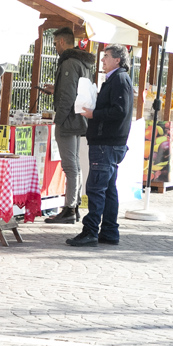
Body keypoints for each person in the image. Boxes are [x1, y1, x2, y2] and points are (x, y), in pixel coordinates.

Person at [66, 44, 133, 248]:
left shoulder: (119, 79)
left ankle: (91, 231)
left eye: (106, 57)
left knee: (96, 188)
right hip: (110, 142)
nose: (102, 60)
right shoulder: (116, 79)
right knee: (109, 189)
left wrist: (94, 114)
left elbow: (119, 110)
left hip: (107, 143)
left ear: (117, 60)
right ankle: (110, 231)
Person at [44, 27, 97, 225]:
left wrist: (59, 117)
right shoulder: (82, 62)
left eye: (56, 43)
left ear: (62, 42)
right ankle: (73, 207)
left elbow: (67, 95)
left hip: (68, 119)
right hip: (79, 117)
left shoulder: (68, 63)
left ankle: (69, 208)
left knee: (70, 165)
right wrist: (56, 89)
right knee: (74, 164)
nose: (55, 47)